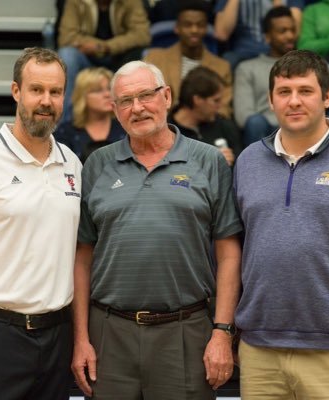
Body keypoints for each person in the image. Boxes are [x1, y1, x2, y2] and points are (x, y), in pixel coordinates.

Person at [71, 60, 242, 400]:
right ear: (115, 109)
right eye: (125, 101)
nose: (137, 108)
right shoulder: (97, 164)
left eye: (146, 95)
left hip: (185, 331)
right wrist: (81, 339)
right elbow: (81, 258)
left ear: (166, 96)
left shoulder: (208, 161)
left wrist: (222, 332)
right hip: (109, 333)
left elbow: (228, 253)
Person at [233, 49, 329, 399]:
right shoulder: (247, 161)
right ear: (271, 99)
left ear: (328, 96)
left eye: (305, 91)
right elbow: (234, 246)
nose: (294, 101)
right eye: (284, 92)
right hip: (260, 351)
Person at [0, 47, 82, 399]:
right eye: (36, 90)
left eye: (55, 92)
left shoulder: (73, 164)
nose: (46, 101)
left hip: (58, 338)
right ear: (16, 91)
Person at [234, 5, 329, 146]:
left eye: (293, 30)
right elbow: (243, 117)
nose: (290, 36)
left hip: (310, 127)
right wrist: (286, 120)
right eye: (282, 31)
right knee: (255, 122)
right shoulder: (247, 68)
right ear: (267, 37)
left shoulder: (311, 63)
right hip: (266, 133)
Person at [58, 0, 151, 122]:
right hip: (87, 59)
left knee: (149, 55)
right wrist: (100, 48)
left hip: (122, 59)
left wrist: (105, 47)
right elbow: (66, 37)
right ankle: (63, 124)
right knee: (67, 54)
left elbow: (142, 35)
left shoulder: (131, 2)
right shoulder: (76, 2)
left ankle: (138, 117)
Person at [143, 0, 233, 118]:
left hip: (205, 128)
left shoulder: (222, 67)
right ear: (177, 28)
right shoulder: (155, 58)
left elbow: (223, 109)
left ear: (206, 28)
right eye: (187, 25)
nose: (194, 30)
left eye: (200, 25)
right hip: (164, 123)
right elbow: (145, 97)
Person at [168, 65, 243, 165]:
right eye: (216, 100)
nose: (220, 105)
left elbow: (243, 168)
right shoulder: (168, 133)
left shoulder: (224, 126)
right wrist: (209, 163)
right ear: (197, 100)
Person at [54, 66, 126, 163]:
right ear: (82, 97)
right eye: (98, 90)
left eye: (109, 88)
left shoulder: (125, 126)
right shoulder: (66, 132)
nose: (107, 94)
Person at [213, 0, 304, 71]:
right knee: (227, 62)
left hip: (277, 51)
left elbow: (294, 32)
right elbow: (222, 34)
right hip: (242, 53)